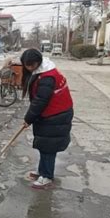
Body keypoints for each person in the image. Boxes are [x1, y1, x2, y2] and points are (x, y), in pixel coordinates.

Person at [21, 48, 74, 189]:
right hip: (49, 115)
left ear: (38, 62)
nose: (28, 68)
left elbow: (40, 101)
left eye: (31, 65)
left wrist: (28, 118)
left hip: (56, 116)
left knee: (49, 148)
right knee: (44, 146)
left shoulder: (48, 77)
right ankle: (42, 171)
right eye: (26, 65)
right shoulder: (41, 71)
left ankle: (47, 176)